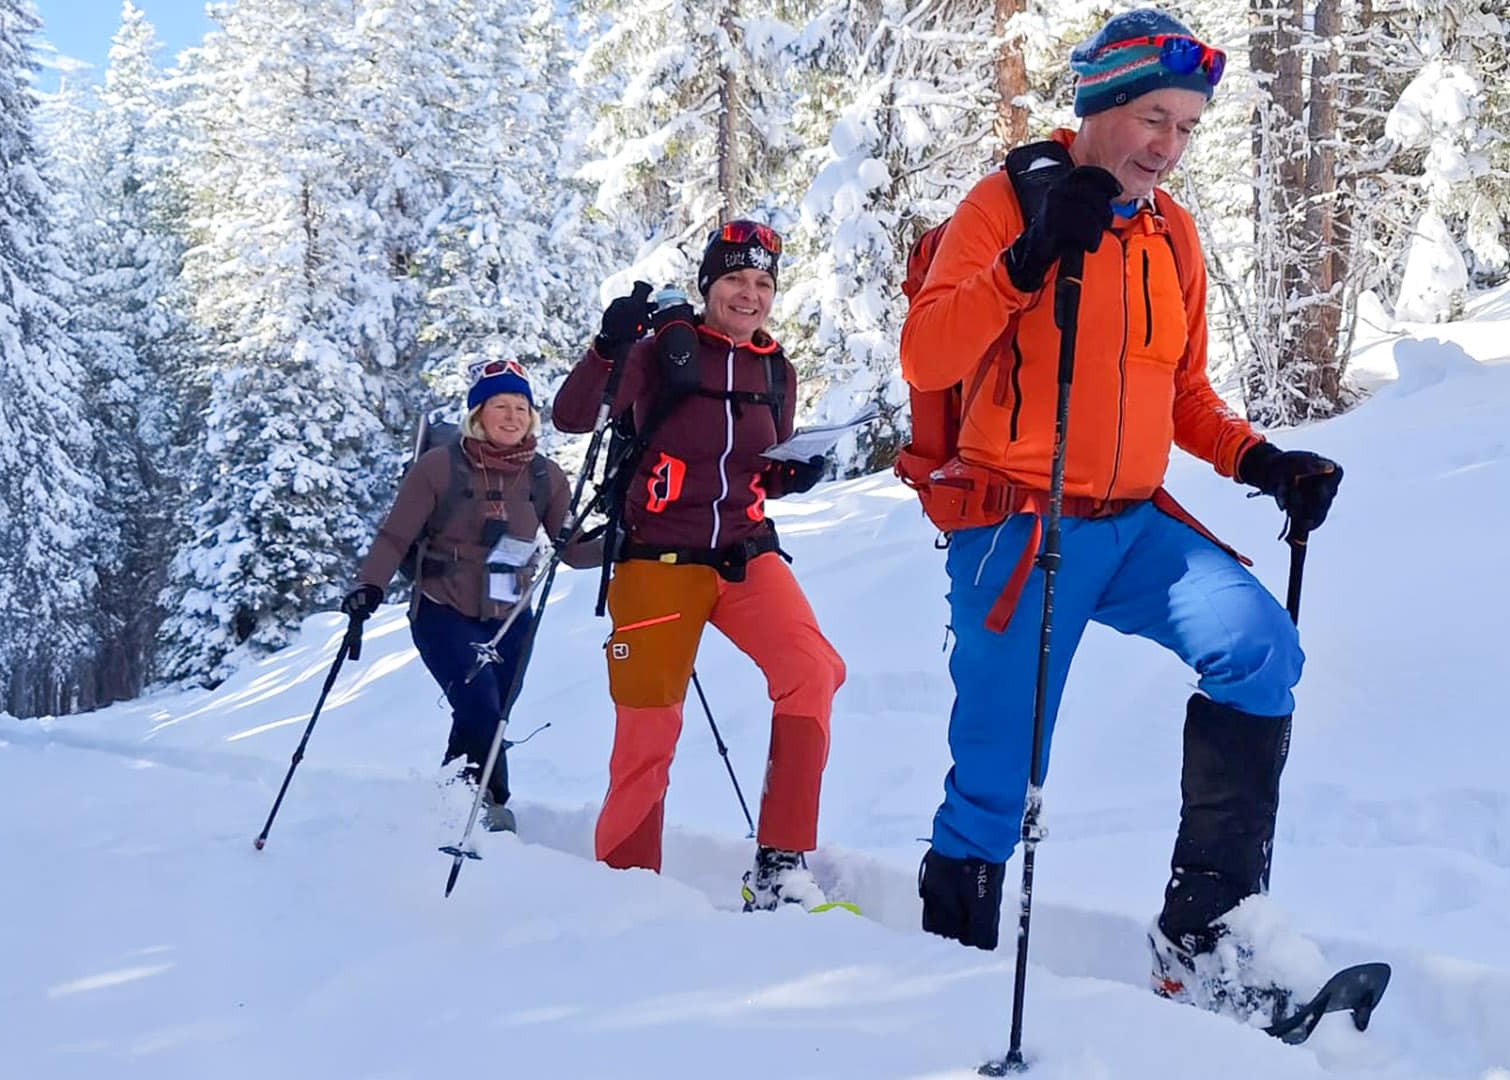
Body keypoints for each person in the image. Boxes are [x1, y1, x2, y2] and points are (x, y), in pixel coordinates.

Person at [898, 9, 1345, 1014]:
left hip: (1137, 525)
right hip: (1017, 522)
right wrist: (1025, 263)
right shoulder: (1008, 202)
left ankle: (1204, 935)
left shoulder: (1169, 233)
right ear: (1101, 104)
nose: (1168, 146)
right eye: (1154, 116)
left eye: (1187, 127)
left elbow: (1179, 390)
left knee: (1262, 649)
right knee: (997, 781)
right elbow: (927, 357)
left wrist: (1261, 459)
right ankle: (943, 990)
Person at [552, 220, 847, 910]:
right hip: (657, 557)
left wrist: (792, 475)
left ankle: (780, 865)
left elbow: (754, 470)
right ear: (711, 283)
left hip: (744, 555)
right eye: (736, 280)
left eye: (763, 283)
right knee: (648, 728)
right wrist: (607, 348)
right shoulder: (662, 352)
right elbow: (572, 416)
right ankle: (627, 890)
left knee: (812, 671)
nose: (750, 295)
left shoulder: (777, 368)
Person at [344, 361, 580, 832]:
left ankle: (455, 788)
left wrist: (624, 540)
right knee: (479, 703)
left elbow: (574, 549)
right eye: (500, 406)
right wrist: (368, 586)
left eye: (521, 407)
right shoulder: (438, 467)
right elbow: (395, 536)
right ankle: (489, 804)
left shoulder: (544, 477)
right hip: (442, 606)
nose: (512, 417)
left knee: (493, 709)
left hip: (511, 615)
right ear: (478, 413)